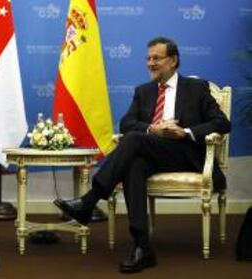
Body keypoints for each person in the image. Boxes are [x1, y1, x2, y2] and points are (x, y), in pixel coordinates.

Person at [54, 37, 231, 273]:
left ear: (173, 60)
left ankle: (90, 200)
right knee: (134, 164)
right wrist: (153, 129)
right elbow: (127, 122)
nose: (150, 63)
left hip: (185, 154)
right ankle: (142, 247)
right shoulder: (143, 91)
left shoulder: (197, 88)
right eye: (148, 58)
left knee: (134, 140)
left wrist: (185, 132)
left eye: (156, 58)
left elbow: (222, 123)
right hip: (152, 152)